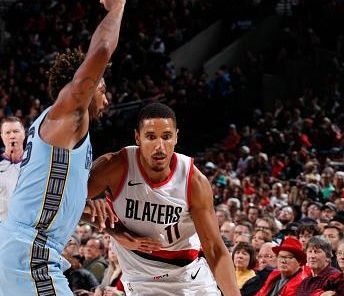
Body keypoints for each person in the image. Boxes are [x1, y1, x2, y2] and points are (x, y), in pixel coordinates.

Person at [0, 0, 125, 294]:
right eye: (102, 89)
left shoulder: (62, 134)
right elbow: (102, 51)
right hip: (29, 252)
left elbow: (43, 192)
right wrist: (117, 6)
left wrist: (80, 202)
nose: (106, 101)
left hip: (23, 248)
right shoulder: (68, 114)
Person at [87, 102, 240, 295]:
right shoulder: (114, 167)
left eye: (166, 137)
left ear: (176, 136)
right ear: (137, 137)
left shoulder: (193, 181)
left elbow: (216, 250)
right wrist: (114, 231)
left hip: (191, 278)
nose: (160, 146)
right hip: (142, 280)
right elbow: (65, 205)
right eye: (151, 137)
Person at [0, 116, 25, 223]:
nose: (12, 136)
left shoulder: (34, 164)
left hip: (27, 229)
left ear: (24, 134)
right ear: (2, 136)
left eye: (16, 131)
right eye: (8, 132)